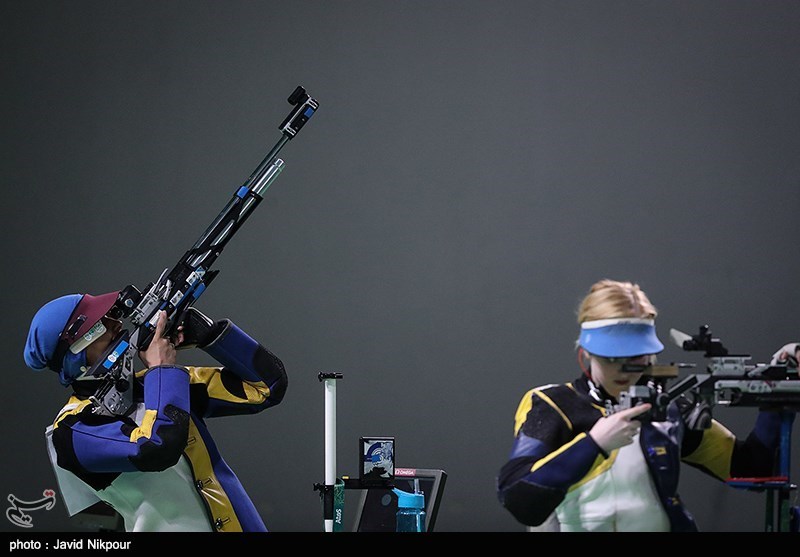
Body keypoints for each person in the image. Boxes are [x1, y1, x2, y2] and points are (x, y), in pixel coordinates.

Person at [496, 279, 784, 532]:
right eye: (612, 358)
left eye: (637, 359)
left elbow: (752, 467)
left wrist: (776, 389)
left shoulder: (666, 407)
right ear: (586, 354)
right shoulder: (553, 405)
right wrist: (594, 444)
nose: (626, 371)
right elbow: (518, 497)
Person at [24, 290, 288, 532]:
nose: (117, 325)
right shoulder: (71, 431)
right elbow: (156, 448)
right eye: (101, 323)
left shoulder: (150, 384)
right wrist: (162, 371)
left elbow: (266, 387)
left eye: (112, 316)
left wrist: (209, 336)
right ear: (76, 352)